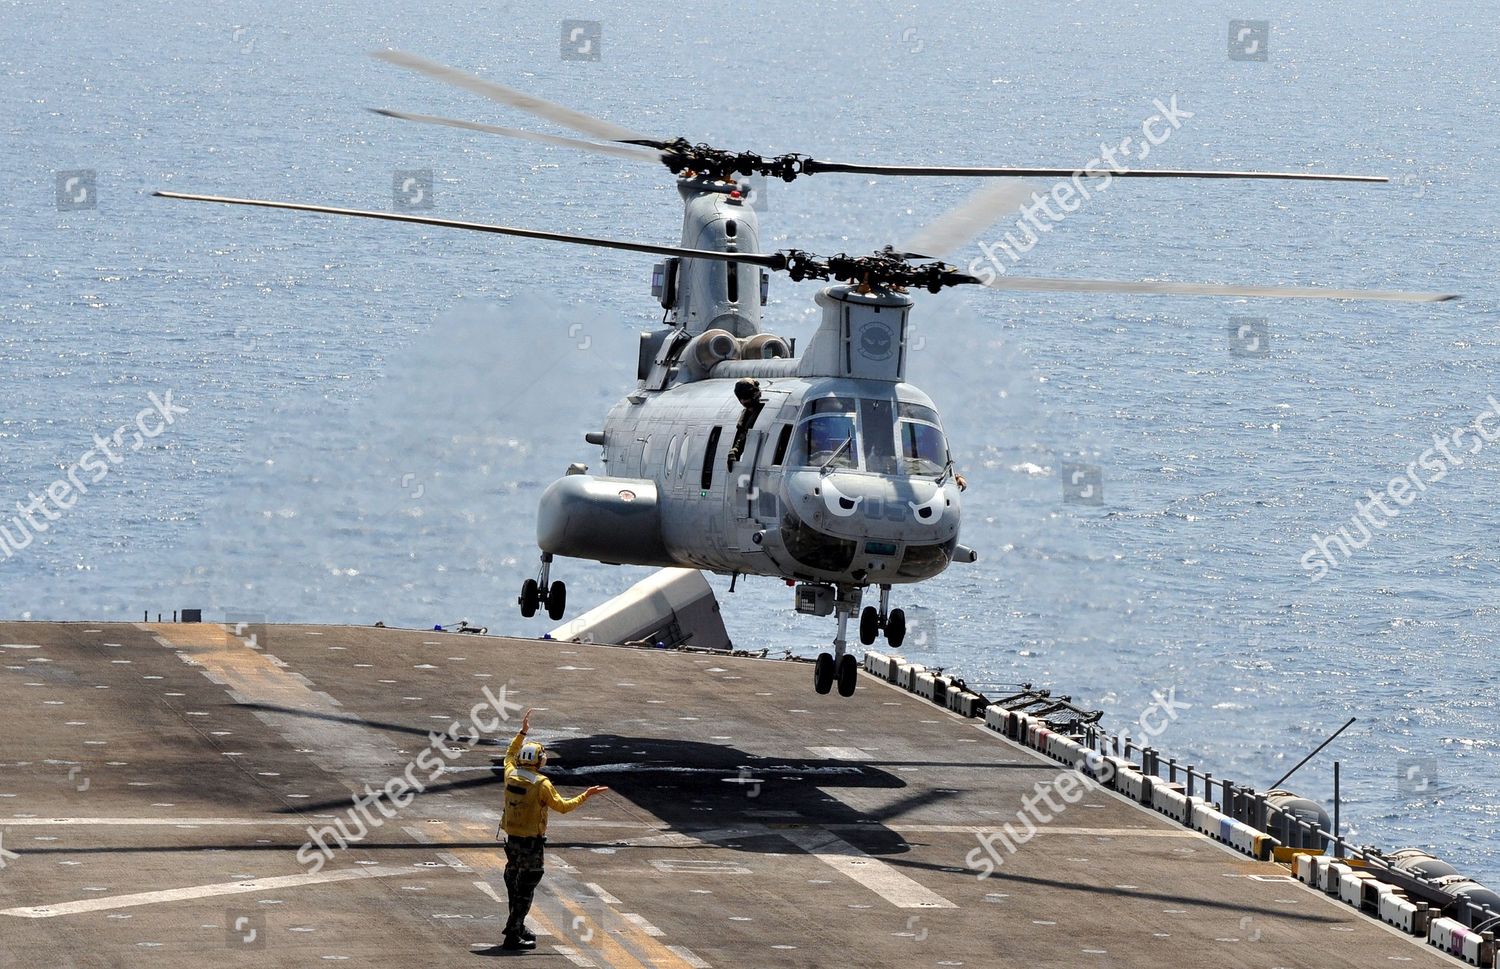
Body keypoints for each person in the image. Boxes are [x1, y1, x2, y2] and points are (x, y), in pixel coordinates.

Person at [498, 709, 609, 951]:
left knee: (513, 883)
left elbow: (508, 754)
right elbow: (563, 807)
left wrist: (522, 732)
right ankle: (513, 932)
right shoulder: (542, 784)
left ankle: (517, 926)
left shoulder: (510, 774)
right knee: (526, 887)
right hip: (531, 845)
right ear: (539, 761)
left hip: (512, 842)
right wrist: (586, 795)